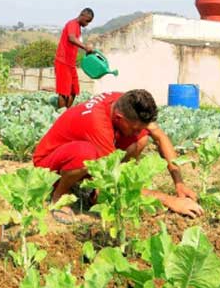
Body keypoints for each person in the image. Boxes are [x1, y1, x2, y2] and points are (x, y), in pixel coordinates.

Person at [33, 89, 203, 223]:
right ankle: (59, 195)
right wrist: (169, 200)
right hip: (48, 163)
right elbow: (112, 177)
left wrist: (179, 183)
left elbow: (159, 137)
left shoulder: (124, 102)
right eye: (134, 128)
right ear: (119, 118)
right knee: (87, 155)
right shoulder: (98, 125)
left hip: (75, 149)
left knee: (141, 138)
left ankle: (97, 193)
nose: (137, 131)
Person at [55, 8, 95, 109]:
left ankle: (67, 112)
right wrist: (85, 47)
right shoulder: (72, 24)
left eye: (89, 22)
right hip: (63, 61)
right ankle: (61, 114)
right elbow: (71, 38)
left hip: (71, 63)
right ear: (82, 15)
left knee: (74, 90)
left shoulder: (78, 27)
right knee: (63, 92)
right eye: (87, 21)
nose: (87, 24)